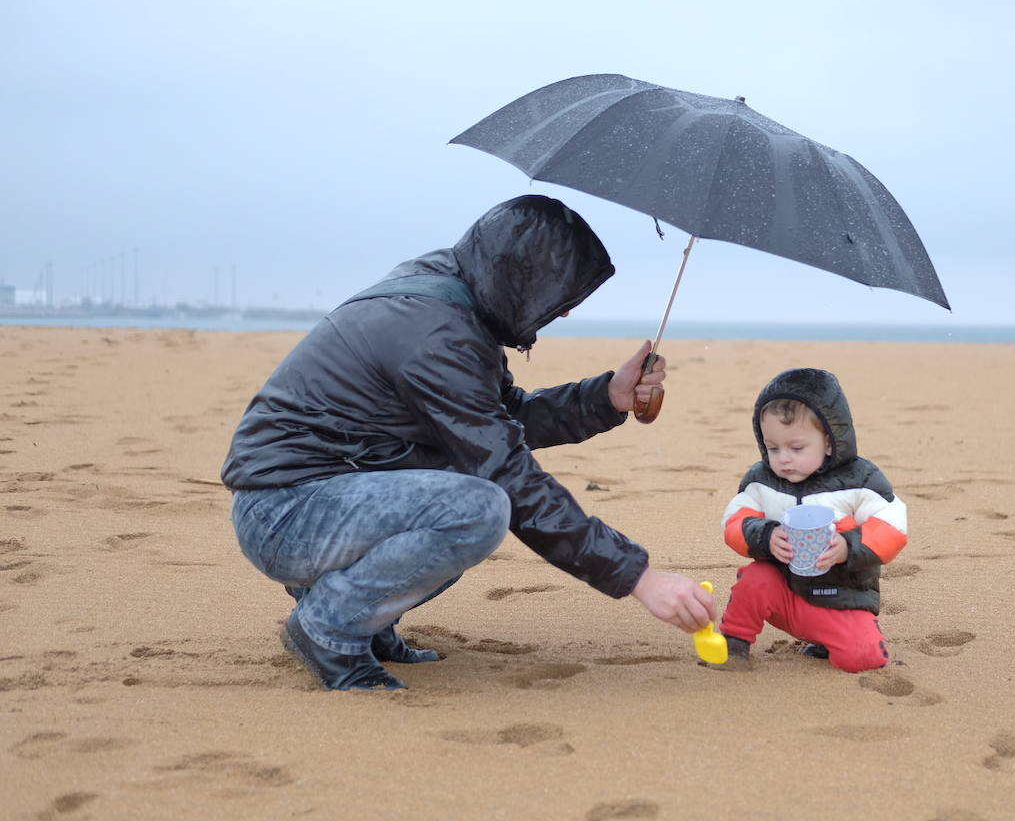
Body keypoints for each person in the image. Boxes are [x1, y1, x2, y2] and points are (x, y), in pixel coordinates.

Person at [221, 195, 716, 691]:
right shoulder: (437, 332)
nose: (561, 314)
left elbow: (496, 419)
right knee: (477, 508)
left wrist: (606, 398)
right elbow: (503, 468)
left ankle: (363, 620)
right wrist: (639, 578)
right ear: (521, 278)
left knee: (462, 490)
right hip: (285, 512)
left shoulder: (455, 296)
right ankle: (328, 628)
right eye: (558, 298)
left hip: (324, 491)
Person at [716, 367, 907, 673]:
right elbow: (735, 519)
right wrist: (764, 536)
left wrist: (848, 547)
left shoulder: (859, 480)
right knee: (754, 580)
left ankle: (828, 641)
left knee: (863, 659)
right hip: (785, 594)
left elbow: (893, 525)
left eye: (797, 447)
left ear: (830, 441)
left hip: (840, 600)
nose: (783, 458)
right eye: (772, 447)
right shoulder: (762, 481)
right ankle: (734, 644)